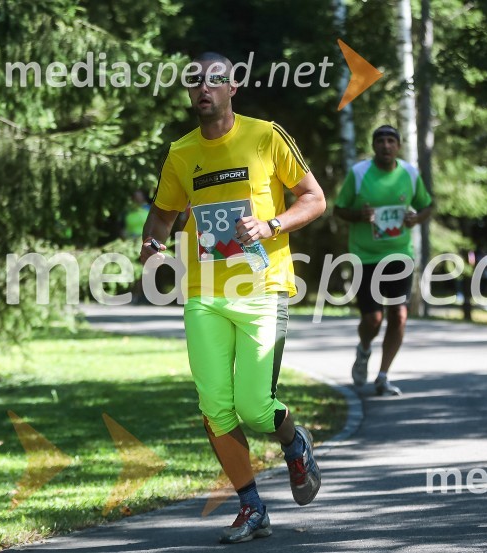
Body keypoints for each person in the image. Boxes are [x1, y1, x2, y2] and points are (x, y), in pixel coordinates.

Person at [139, 52, 325, 544]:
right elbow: (161, 216)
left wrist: (270, 225)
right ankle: (251, 507)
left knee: (255, 407)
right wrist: (152, 246)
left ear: (232, 86)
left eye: (214, 80)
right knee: (216, 407)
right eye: (195, 82)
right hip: (204, 294)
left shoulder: (265, 135)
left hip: (263, 288)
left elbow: (314, 197)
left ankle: (294, 441)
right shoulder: (181, 153)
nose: (204, 88)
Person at [333, 125, 433, 396]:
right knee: (373, 319)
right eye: (381, 141)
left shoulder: (410, 174)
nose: (386, 145)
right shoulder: (359, 173)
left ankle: (383, 375)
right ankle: (364, 349)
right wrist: (359, 215)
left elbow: (428, 205)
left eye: (391, 141)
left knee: (399, 315)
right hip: (365, 257)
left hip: (400, 254)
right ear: (374, 145)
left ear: (398, 146)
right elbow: (339, 209)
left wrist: (416, 218)